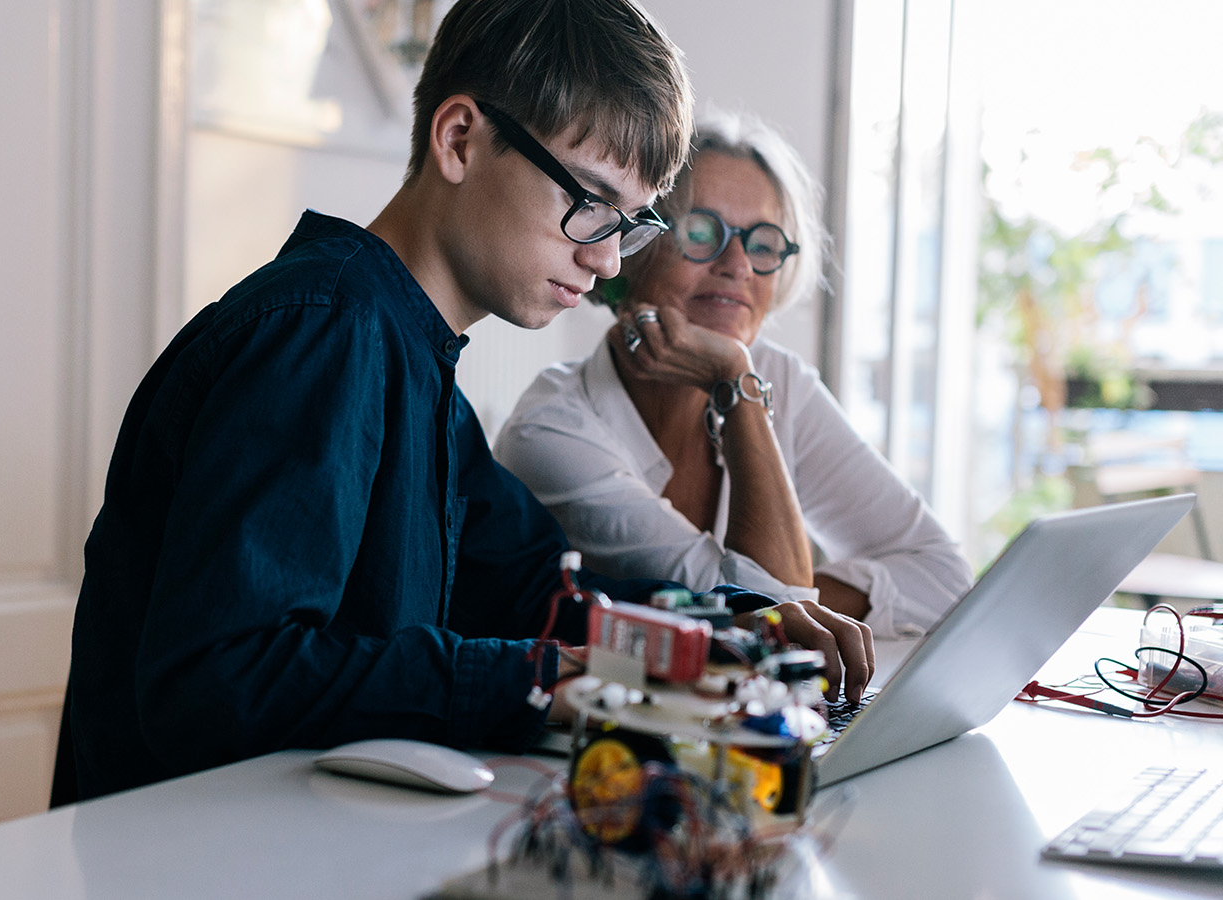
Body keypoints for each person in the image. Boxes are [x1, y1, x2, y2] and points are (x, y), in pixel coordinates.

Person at [62, 0, 713, 802]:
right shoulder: (327, 332)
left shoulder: (413, 354)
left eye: (630, 223)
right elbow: (221, 677)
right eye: (588, 200)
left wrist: (722, 633)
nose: (609, 259)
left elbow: (530, 590)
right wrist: (536, 682)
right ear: (460, 139)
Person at [494, 111, 973, 666]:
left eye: (763, 243)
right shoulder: (553, 427)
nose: (738, 265)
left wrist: (802, 604)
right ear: (634, 242)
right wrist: (738, 387)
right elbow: (772, 619)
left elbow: (944, 577)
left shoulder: (780, 376)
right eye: (700, 231)